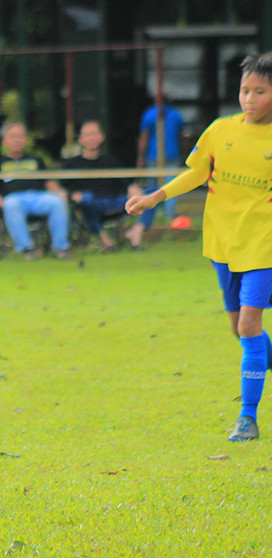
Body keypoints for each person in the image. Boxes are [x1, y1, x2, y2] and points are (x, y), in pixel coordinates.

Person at [126, 52, 272, 442]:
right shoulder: (221, 131)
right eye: (245, 90)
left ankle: (247, 417)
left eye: (260, 91)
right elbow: (195, 172)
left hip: (264, 247)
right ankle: (259, 365)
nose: (249, 99)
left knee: (248, 324)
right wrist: (154, 198)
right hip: (223, 244)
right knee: (240, 332)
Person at [0, 122, 70, 260]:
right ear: (4, 141)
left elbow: (49, 183)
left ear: (25, 139)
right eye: (12, 136)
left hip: (39, 197)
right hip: (14, 199)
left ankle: (60, 248)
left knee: (57, 202)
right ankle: (27, 249)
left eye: (20, 136)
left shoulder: (36, 160)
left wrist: (60, 193)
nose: (17, 140)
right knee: (11, 204)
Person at [63, 120, 154, 251]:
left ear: (101, 137)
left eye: (94, 134)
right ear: (81, 139)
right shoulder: (71, 164)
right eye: (87, 135)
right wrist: (73, 195)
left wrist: (132, 189)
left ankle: (136, 232)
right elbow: (64, 189)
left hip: (115, 201)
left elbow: (124, 183)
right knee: (86, 199)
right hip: (92, 204)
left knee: (151, 193)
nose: (91, 138)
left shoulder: (110, 160)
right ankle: (104, 239)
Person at [137, 98, 187, 220]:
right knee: (171, 186)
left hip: (152, 155)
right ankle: (169, 216)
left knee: (152, 186)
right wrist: (185, 154)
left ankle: (151, 215)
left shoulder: (149, 114)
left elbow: (144, 139)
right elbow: (183, 137)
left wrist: (140, 157)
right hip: (172, 154)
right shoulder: (176, 114)